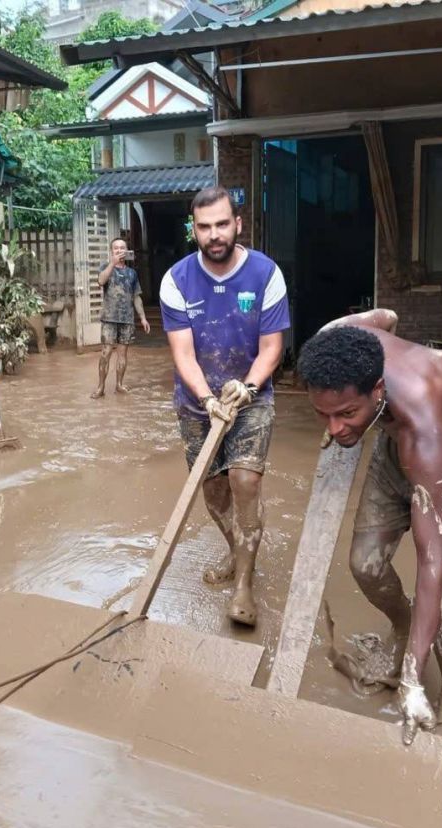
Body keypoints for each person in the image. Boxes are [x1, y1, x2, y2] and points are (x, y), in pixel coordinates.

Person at [298, 311, 442, 745]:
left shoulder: (422, 424)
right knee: (366, 564)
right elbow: (390, 317)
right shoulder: (332, 337)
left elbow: (429, 557)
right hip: (395, 431)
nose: (335, 428)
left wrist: (414, 681)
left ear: (378, 389)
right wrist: (347, 421)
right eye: (323, 416)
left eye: (345, 414)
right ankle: (405, 626)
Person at [159, 185, 290, 627]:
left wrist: (247, 389)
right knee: (214, 492)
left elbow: (272, 348)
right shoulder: (175, 281)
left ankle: (244, 586)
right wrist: (209, 400)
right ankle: (238, 553)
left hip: (250, 394)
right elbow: (183, 356)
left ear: (237, 224)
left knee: (244, 479)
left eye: (221, 224)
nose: (214, 234)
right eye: (204, 227)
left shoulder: (266, 274)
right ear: (193, 231)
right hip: (198, 403)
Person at [91, 238, 151, 399]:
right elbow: (101, 281)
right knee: (106, 353)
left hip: (127, 319)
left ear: (126, 251)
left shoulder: (132, 273)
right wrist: (112, 263)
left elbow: (136, 297)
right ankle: (101, 387)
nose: (119, 251)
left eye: (122, 248)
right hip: (109, 318)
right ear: (112, 251)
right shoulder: (105, 268)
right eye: (116, 248)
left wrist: (143, 318)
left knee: (123, 354)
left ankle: (119, 384)